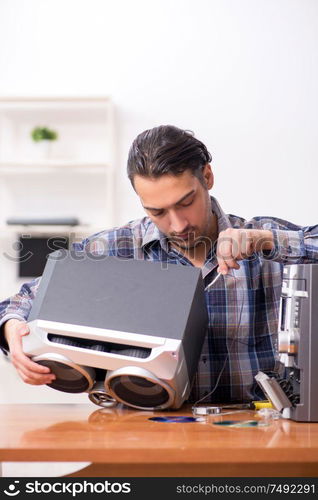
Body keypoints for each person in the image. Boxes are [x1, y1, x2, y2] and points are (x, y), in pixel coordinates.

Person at [0, 125, 317, 403]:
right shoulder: (116, 248)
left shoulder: (262, 239)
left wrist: (270, 241)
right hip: (146, 431)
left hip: (256, 434)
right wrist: (13, 328)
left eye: (186, 202)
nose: (178, 224)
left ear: (207, 177)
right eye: (157, 211)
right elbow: (20, 302)